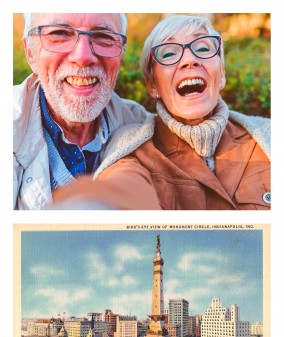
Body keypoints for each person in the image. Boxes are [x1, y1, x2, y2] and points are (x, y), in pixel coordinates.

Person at [80, 14, 270, 210]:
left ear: (221, 74)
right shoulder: (132, 151)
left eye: (203, 48)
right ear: (152, 85)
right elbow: (122, 189)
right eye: (169, 54)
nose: (189, 60)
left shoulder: (269, 135)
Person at [13, 13, 159, 210]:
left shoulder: (144, 128)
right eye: (59, 34)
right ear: (30, 52)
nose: (82, 57)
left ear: (121, 53)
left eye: (103, 37)